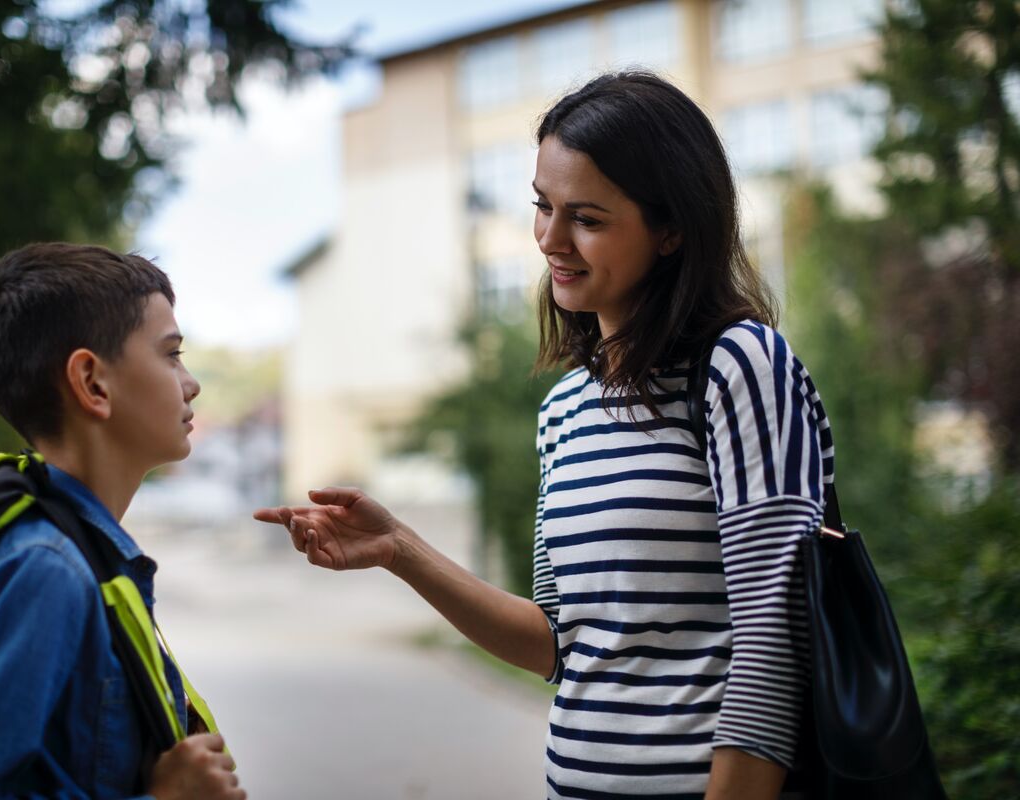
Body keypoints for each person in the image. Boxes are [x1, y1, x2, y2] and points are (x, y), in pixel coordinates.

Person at [256, 71, 832, 800]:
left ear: (671, 229)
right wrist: (399, 549)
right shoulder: (564, 408)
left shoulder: (739, 365)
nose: (551, 240)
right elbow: (558, 646)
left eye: (587, 218)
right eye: (542, 206)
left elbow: (773, 644)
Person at [0, 243, 245, 799]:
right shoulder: (44, 570)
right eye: (171, 353)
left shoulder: (84, 554)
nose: (191, 382)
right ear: (92, 383)